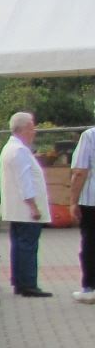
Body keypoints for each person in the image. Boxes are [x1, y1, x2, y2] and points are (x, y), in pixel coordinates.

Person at [0, 112, 50, 298]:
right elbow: (25, 181)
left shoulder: (10, 148)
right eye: (32, 128)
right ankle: (28, 283)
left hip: (16, 209)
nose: (34, 132)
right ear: (24, 129)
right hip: (25, 209)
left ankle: (20, 282)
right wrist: (34, 206)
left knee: (19, 245)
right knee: (28, 246)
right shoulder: (19, 151)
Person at [73, 114, 95, 303]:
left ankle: (90, 287)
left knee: (90, 243)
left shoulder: (90, 136)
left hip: (91, 200)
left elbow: (80, 171)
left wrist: (73, 201)